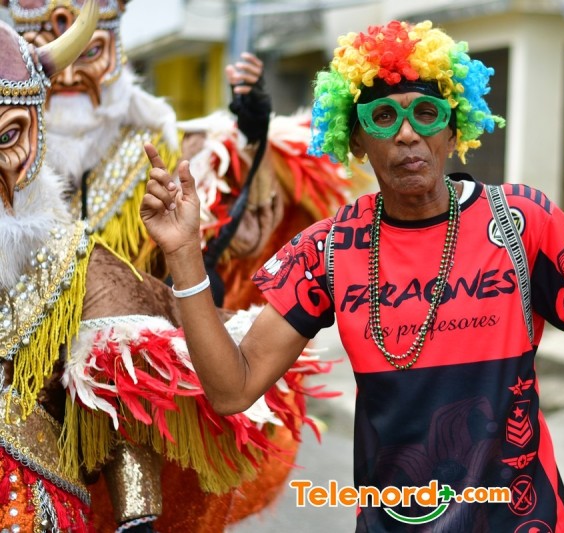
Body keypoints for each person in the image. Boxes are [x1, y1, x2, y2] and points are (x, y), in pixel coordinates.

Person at [139, 19, 564, 531]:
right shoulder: (331, 249)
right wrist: (186, 255)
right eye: (383, 117)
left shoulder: (522, 223)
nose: (406, 134)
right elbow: (232, 388)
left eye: (425, 114)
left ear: (454, 129)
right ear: (356, 138)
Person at [5, 0, 361, 529]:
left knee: (120, 372)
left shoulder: (166, 147)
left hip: (111, 356)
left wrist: (251, 140)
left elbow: (214, 236)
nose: (74, 77)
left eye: (90, 55)